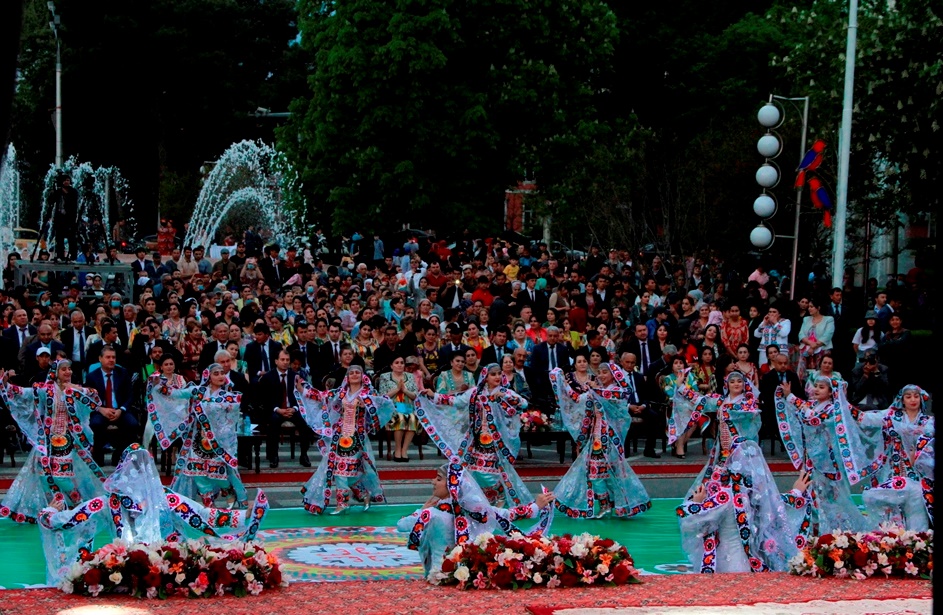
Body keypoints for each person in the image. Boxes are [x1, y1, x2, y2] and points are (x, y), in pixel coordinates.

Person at [38, 444, 269, 586]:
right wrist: (50, 512)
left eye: (140, 469)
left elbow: (203, 515)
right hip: (129, 569)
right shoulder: (112, 502)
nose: (137, 474)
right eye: (133, 469)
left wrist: (244, 515)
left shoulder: (165, 498)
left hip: (166, 567)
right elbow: (71, 520)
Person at [671, 371, 814, 572]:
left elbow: (750, 416)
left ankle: (751, 547)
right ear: (726, 384)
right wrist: (681, 387)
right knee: (723, 501)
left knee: (751, 503)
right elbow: (699, 400)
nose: (736, 384)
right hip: (723, 460)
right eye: (733, 381)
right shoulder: (719, 402)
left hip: (741, 460)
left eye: (740, 381)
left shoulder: (748, 404)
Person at [397, 461, 554, 580]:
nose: (433, 482)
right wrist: (535, 507)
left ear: (451, 485)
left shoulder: (431, 513)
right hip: (464, 575)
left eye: (438, 479)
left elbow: (401, 525)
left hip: (437, 577)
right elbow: (504, 515)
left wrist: (421, 509)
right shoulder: (472, 511)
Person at [0, 361, 105, 524]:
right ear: (56, 373)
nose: (68, 372)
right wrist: (5, 384)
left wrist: (75, 388)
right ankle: (56, 508)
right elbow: (23, 393)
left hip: (67, 438)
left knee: (61, 475)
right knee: (44, 475)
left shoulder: (75, 390)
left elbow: (94, 397)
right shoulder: (46, 389)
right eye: (64, 369)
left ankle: (79, 505)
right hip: (47, 439)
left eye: (69, 369)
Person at [417, 363, 532, 507]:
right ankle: (484, 501)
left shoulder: (506, 392)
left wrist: (505, 398)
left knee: (493, 472)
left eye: (498, 374)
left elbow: (523, 404)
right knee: (474, 471)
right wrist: (433, 395)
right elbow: (456, 401)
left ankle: (500, 498)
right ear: (485, 376)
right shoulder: (475, 393)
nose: (497, 377)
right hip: (476, 440)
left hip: (498, 443)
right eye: (493, 374)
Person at [549, 362, 651, 518]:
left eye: (605, 372)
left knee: (611, 473)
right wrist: (560, 381)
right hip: (597, 438)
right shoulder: (595, 391)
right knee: (595, 473)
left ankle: (617, 505)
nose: (602, 375)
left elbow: (615, 396)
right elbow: (576, 399)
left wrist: (593, 389)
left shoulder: (617, 391)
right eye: (600, 372)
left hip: (611, 439)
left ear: (614, 375)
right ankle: (606, 505)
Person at [776, 376, 869, 533]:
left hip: (829, 462)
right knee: (813, 494)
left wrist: (791, 397)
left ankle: (836, 531)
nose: (816, 390)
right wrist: (789, 396)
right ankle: (814, 528)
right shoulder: (813, 405)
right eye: (816, 386)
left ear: (831, 392)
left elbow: (815, 419)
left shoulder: (833, 410)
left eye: (821, 387)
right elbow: (802, 410)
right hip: (812, 459)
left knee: (833, 498)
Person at [834, 385, 934, 531]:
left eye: (916, 396)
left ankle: (917, 545)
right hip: (892, 472)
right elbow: (865, 418)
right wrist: (842, 401)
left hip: (919, 476)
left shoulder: (928, 421)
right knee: (887, 512)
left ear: (921, 398)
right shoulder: (891, 416)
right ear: (902, 400)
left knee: (917, 515)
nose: (913, 400)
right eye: (908, 396)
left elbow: (930, 441)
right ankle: (892, 546)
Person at [297, 365, 395, 514]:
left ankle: (346, 502)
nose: (354, 375)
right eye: (351, 373)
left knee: (343, 469)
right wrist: (303, 390)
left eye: (358, 373)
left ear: (362, 376)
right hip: (339, 436)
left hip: (357, 437)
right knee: (337, 469)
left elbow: (385, 403)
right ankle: (360, 495)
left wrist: (369, 406)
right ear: (347, 377)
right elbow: (323, 396)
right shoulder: (341, 392)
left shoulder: (368, 393)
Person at [148, 362, 247, 507]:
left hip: (217, 442)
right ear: (208, 376)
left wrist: (221, 432)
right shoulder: (198, 391)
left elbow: (230, 421)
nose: (220, 376)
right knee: (197, 472)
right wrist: (157, 384)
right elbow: (174, 394)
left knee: (218, 471)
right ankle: (208, 505)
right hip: (197, 440)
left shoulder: (228, 397)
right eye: (216, 373)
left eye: (222, 373)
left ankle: (228, 490)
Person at [677, 470, 812, 573]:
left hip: (725, 562)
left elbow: (693, 521)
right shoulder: (755, 495)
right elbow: (779, 506)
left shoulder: (725, 497)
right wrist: (797, 492)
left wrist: (696, 504)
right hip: (749, 562)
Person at [85, 346, 139, 466]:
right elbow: (88, 399)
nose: (111, 360)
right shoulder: (92, 377)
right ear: (100, 359)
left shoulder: (123, 373)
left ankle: (119, 456)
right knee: (95, 424)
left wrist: (121, 409)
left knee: (132, 424)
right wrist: (101, 409)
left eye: (113, 357)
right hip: (101, 410)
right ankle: (98, 457)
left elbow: (130, 396)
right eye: (108, 357)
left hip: (120, 410)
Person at [377, 356, 421, 462]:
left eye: (402, 362)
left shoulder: (410, 376)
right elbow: (383, 396)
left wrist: (404, 390)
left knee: (413, 418)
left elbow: (415, 395)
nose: (400, 365)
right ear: (391, 366)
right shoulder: (385, 376)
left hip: (408, 406)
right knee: (400, 417)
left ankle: (404, 450)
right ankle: (397, 450)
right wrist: (397, 389)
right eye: (396, 362)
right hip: (391, 407)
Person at [796, 298, 834, 380]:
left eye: (811, 306)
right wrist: (810, 343)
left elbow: (827, 335)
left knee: (821, 373)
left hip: (822, 349)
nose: (809, 308)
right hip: (806, 350)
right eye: (809, 307)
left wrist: (814, 347)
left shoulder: (829, 319)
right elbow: (801, 334)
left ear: (818, 308)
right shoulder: (806, 319)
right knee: (801, 373)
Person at [51, 175, 79, 261]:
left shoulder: (73, 192)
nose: (66, 182)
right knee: (59, 238)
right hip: (59, 219)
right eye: (64, 180)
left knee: (72, 238)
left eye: (68, 180)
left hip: (70, 219)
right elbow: (51, 201)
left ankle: (73, 255)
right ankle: (60, 255)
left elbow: (74, 204)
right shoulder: (58, 191)